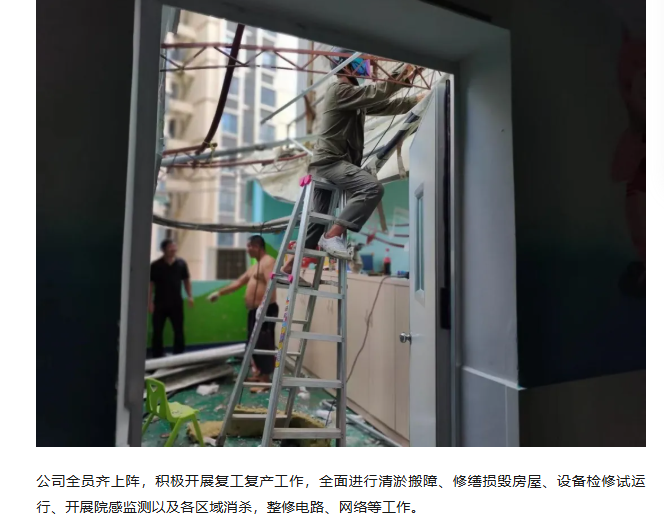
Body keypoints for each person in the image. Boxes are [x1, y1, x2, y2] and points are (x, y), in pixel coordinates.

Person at [281, 48, 426, 276]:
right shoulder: (340, 90)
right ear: (346, 66)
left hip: (324, 165)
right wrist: (404, 73)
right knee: (371, 188)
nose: (365, 67)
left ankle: (287, 268)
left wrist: (417, 99)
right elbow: (377, 93)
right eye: (359, 62)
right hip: (330, 162)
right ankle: (332, 237)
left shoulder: (353, 96)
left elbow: (386, 105)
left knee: (317, 222)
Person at [209, 235, 277, 383]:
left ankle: (265, 379)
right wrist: (219, 293)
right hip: (254, 311)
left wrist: (263, 307)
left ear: (256, 247)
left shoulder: (268, 262)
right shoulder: (255, 266)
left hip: (265, 310)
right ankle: (259, 374)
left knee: (263, 343)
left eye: (249, 246)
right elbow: (239, 282)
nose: (247, 250)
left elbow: (271, 285)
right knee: (253, 343)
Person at [148, 239, 193, 358]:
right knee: (157, 330)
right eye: (170, 247)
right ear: (163, 250)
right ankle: (157, 354)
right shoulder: (155, 265)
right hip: (159, 303)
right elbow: (150, 284)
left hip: (176, 303)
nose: (173, 249)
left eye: (174, 247)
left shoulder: (181, 263)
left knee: (178, 329)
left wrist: (190, 296)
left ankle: (179, 354)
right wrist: (149, 302)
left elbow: (186, 280)